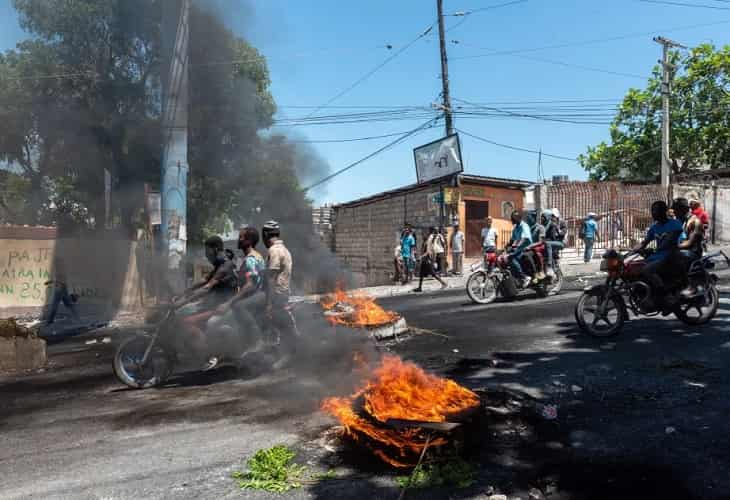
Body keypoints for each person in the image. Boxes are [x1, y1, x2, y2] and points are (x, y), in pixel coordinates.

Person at [174, 235, 238, 370]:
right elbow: (204, 280)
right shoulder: (219, 265)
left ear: (214, 249)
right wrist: (184, 292)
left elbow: (207, 287)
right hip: (214, 305)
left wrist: (182, 302)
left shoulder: (225, 266)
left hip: (223, 307)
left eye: (207, 251)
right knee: (181, 313)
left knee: (187, 322)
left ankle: (208, 355)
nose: (206, 254)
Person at [214, 227, 267, 349]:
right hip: (257, 296)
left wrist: (229, 302)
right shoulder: (257, 256)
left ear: (249, 241)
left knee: (233, 309)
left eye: (241, 237)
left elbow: (250, 284)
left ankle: (256, 340)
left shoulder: (250, 260)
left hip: (254, 297)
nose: (239, 239)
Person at [633, 200, 683, 313]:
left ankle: (667, 297)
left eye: (656, 210)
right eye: (652, 210)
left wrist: (654, 249)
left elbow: (670, 239)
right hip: (658, 257)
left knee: (648, 270)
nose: (653, 213)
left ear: (664, 211)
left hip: (671, 256)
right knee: (636, 269)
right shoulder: (654, 227)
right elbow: (644, 242)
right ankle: (648, 297)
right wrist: (633, 250)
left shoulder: (674, 224)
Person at [262, 220, 297, 365]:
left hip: (276, 294)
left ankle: (288, 354)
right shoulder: (285, 250)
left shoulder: (274, 250)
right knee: (283, 325)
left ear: (265, 234)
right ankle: (285, 353)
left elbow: (272, 277)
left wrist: (269, 303)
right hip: (283, 293)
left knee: (280, 325)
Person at [673, 198, 705, 298]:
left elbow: (690, 243)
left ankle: (692, 286)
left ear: (683, 209)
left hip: (692, 252)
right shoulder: (679, 221)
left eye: (677, 210)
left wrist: (674, 246)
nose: (675, 212)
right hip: (681, 249)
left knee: (678, 256)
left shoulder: (695, 222)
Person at [43, 258, 81, 325]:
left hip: (60, 289)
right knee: (68, 304)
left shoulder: (61, 270)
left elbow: (61, 281)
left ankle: (50, 321)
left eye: (55, 263)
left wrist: (52, 282)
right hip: (62, 289)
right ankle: (77, 318)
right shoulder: (60, 270)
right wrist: (51, 282)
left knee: (55, 306)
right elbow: (60, 280)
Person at [414, 227, 448, 292]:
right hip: (424, 260)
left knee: (433, 274)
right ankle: (419, 287)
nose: (422, 235)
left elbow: (428, 252)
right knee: (421, 274)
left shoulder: (428, 241)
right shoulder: (425, 241)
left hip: (427, 260)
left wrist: (420, 257)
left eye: (424, 233)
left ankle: (444, 283)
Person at [506, 210, 533, 288]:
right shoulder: (516, 227)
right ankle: (516, 278)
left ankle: (525, 277)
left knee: (511, 258)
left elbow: (524, 239)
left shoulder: (524, 226)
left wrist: (516, 246)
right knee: (506, 259)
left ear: (518, 218)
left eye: (513, 218)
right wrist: (505, 247)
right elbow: (512, 240)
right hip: (519, 249)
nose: (512, 220)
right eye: (512, 218)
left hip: (526, 249)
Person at [544, 209, 566, 277]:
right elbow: (544, 232)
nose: (553, 217)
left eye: (554, 216)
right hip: (552, 242)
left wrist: (556, 227)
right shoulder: (549, 223)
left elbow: (562, 233)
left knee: (553, 252)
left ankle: (551, 266)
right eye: (552, 216)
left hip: (560, 242)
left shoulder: (561, 222)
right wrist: (549, 224)